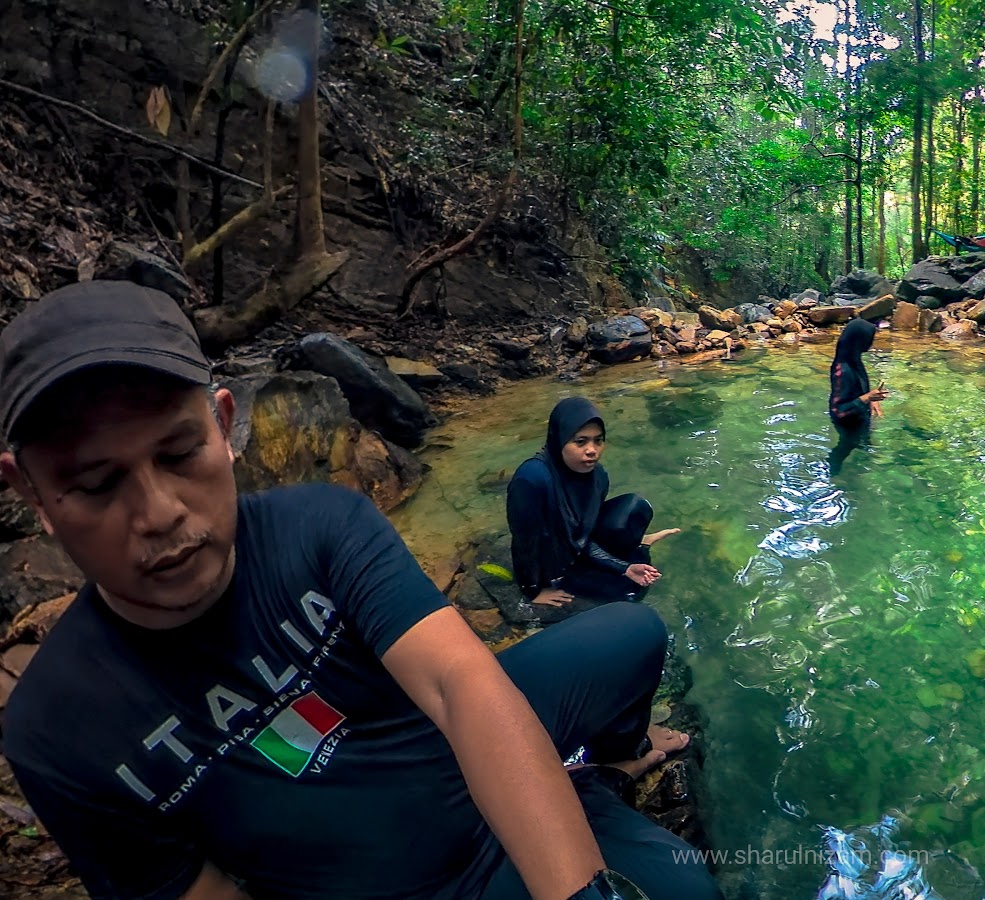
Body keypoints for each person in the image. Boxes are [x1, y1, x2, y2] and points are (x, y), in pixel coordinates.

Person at [0, 281, 720, 900]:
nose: (158, 514)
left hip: (450, 756)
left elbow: (459, 682)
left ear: (225, 427)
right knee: (686, 885)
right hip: (412, 881)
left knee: (635, 632)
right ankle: (582, 793)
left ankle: (595, 774)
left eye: (179, 453)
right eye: (96, 485)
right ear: (29, 491)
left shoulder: (320, 523)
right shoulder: (57, 727)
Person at [507, 398, 678, 615]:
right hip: (550, 559)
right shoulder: (532, 479)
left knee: (635, 508)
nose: (592, 450)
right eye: (580, 442)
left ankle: (638, 546)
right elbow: (524, 542)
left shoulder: (598, 476)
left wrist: (624, 568)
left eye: (598, 441)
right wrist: (533, 590)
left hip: (577, 550)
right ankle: (637, 550)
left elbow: (583, 536)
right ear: (559, 440)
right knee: (628, 593)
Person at [827, 318, 888, 474]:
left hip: (859, 416)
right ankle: (834, 475)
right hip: (848, 422)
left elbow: (859, 388)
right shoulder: (842, 371)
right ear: (860, 341)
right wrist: (867, 398)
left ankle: (863, 466)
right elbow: (838, 411)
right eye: (870, 339)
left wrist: (872, 400)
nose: (872, 342)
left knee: (864, 442)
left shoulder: (853, 358)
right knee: (845, 447)